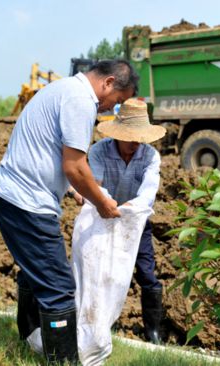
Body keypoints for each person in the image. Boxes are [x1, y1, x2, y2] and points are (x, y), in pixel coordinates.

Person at [0, 60, 138, 364]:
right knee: (59, 286)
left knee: (36, 274)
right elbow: (74, 166)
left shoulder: (63, 89)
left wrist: (74, 189)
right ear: (108, 83)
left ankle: (30, 340)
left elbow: (50, 151)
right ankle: (64, 360)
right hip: (26, 202)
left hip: (12, 194)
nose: (111, 109)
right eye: (117, 102)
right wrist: (102, 202)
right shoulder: (81, 101)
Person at [72, 98, 167, 344]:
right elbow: (97, 188)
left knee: (147, 273)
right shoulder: (99, 151)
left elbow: (148, 193)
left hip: (136, 223)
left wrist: (126, 209)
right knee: (97, 269)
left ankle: (153, 332)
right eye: (130, 138)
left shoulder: (150, 156)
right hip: (101, 218)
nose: (135, 144)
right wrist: (107, 204)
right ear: (118, 134)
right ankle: (94, 320)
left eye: (140, 139)